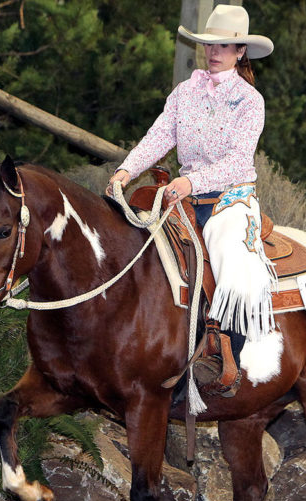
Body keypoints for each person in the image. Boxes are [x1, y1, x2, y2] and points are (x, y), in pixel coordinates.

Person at [106, 5, 279, 396]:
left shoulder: (250, 102)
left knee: (231, 256)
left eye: (225, 46)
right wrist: (125, 171)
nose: (214, 52)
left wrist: (192, 181)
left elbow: (238, 160)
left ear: (240, 51)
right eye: (210, 44)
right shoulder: (184, 93)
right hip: (183, 197)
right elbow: (158, 136)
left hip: (229, 199)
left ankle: (224, 355)